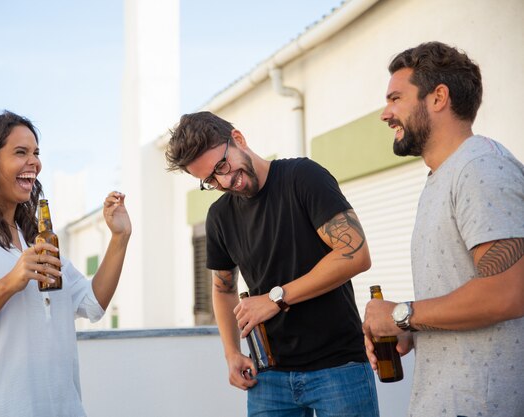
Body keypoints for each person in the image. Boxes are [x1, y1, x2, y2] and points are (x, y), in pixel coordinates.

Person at [0, 110, 132, 417]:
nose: (35, 162)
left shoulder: (35, 240)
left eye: (36, 153)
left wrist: (119, 238)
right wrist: (9, 283)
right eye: (21, 152)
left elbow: (92, 303)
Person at [166, 111, 379, 417]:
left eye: (222, 166)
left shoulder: (303, 177)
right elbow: (223, 289)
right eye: (210, 180)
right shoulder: (219, 217)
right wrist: (231, 354)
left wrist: (275, 299)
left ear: (238, 139)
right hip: (268, 379)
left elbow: (356, 253)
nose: (225, 181)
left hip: (338, 368)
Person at [363, 41, 524, 417]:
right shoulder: (444, 176)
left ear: (438, 98)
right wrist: (411, 330)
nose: (386, 113)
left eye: (396, 98)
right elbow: (463, 293)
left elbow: (506, 294)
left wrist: (401, 314)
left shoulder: (481, 168)